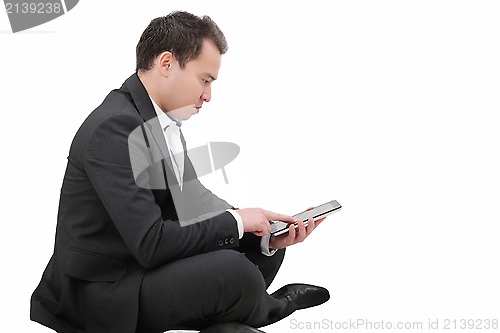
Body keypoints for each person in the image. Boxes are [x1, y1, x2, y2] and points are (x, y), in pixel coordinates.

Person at [30, 11, 330, 333]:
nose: (208, 96)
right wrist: (237, 221)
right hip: (104, 290)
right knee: (234, 272)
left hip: (142, 267)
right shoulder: (114, 128)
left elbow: (194, 201)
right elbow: (151, 242)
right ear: (167, 63)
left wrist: (259, 227)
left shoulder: (158, 120)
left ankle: (228, 324)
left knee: (260, 250)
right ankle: (267, 309)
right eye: (205, 80)